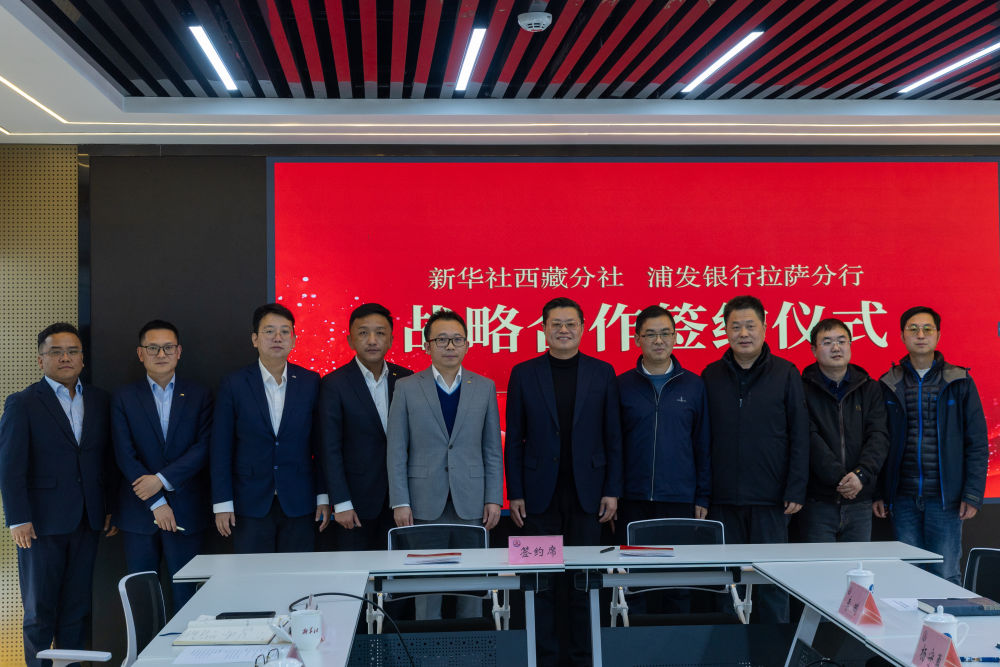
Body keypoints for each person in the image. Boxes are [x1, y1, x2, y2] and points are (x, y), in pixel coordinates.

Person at [505, 297, 622, 666]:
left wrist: (612, 490)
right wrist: (515, 492)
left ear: (584, 327)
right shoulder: (523, 373)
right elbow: (515, 438)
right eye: (555, 324)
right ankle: (543, 657)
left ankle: (585, 656)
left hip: (590, 496)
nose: (563, 330)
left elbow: (613, 437)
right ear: (543, 329)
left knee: (584, 582)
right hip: (537, 497)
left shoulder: (603, 372)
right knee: (540, 581)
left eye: (570, 323)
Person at [0, 323, 117, 666]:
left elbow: (106, 459)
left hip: (88, 520)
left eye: (72, 351)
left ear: (82, 358)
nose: (65, 357)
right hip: (40, 524)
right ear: (41, 360)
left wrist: (109, 506)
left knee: (76, 610)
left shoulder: (99, 400)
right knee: (39, 613)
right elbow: (9, 466)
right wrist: (18, 519)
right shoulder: (22, 403)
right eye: (56, 352)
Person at [386, 309, 502, 619]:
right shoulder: (407, 387)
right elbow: (396, 450)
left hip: (472, 503)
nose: (450, 346)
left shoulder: (484, 386)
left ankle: (473, 645)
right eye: (441, 340)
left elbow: (492, 449)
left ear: (467, 345)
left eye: (457, 339)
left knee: (473, 587)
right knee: (427, 589)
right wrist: (400, 501)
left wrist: (494, 497)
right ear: (427, 345)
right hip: (423, 503)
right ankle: (427, 646)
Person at [701, 295, 808, 623]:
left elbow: (800, 434)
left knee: (773, 583)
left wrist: (795, 487)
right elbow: (702, 440)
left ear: (764, 328)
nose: (743, 333)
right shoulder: (710, 375)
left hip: (771, 499)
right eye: (736, 326)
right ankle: (726, 646)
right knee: (726, 583)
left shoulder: (786, 373)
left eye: (750, 325)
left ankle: (774, 646)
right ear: (725, 330)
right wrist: (703, 493)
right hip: (722, 499)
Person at [874, 306, 988, 584]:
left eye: (927, 329)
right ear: (902, 336)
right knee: (908, 575)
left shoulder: (959, 381)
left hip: (945, 499)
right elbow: (878, 441)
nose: (920, 335)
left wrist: (972, 493)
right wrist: (879, 491)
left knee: (945, 573)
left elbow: (976, 442)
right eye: (913, 329)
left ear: (938, 335)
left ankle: (947, 616)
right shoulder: (888, 383)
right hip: (903, 497)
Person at [210, 303, 330, 553]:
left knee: (297, 573)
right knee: (253, 574)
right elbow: (221, 448)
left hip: (299, 501)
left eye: (285, 331)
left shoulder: (310, 382)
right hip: (249, 502)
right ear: (255, 339)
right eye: (269, 331)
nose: (278, 337)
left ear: (294, 340)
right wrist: (222, 503)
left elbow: (320, 445)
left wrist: (322, 495)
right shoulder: (234, 384)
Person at [111, 320, 212, 611]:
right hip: (139, 515)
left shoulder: (200, 395)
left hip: (187, 510)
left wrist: (162, 480)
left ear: (178, 352)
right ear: (140, 353)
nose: (161, 354)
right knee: (144, 603)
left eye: (168, 347)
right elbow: (124, 454)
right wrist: (156, 501)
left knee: (188, 600)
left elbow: (203, 447)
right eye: (153, 348)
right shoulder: (123, 397)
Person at [319, 303, 413, 552]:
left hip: (401, 502)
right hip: (356, 504)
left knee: (399, 569)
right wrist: (341, 502)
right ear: (350, 340)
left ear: (391, 339)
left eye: (380, 333)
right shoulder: (334, 384)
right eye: (363, 333)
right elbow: (329, 448)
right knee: (356, 571)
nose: (372, 340)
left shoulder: (407, 379)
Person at [617, 305, 711, 529]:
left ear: (675, 337)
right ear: (637, 339)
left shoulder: (695, 385)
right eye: (650, 334)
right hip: (632, 498)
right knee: (634, 553)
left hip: (680, 498)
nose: (659, 341)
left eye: (665, 333)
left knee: (677, 553)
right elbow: (613, 444)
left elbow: (703, 444)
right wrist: (613, 493)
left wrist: (703, 495)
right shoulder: (621, 385)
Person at [799, 318, 888, 543]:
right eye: (827, 342)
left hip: (860, 501)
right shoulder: (800, 389)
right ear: (814, 350)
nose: (836, 348)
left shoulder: (870, 388)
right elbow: (809, 438)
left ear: (850, 345)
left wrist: (860, 475)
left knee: (857, 566)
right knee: (819, 565)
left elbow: (878, 436)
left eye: (841, 341)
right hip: (818, 503)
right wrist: (841, 479)